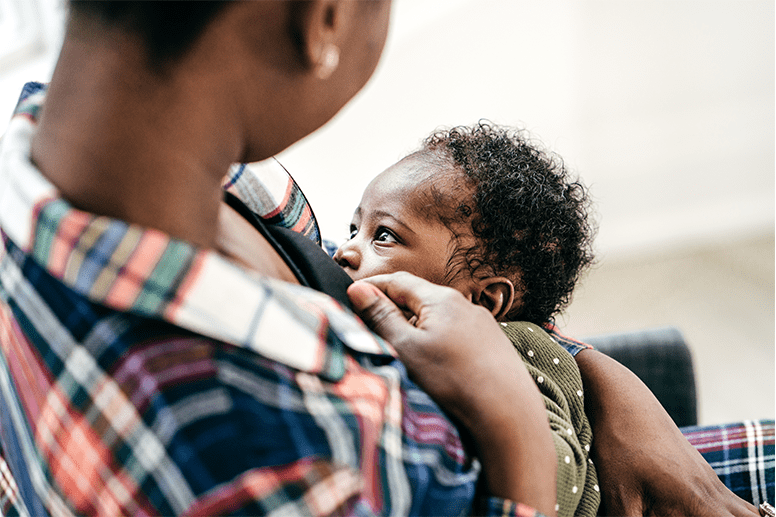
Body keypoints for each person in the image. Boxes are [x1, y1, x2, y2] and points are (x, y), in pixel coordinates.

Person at [0, 1, 767, 516]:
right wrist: (513, 426)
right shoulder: (257, 462)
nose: (349, 250)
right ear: (323, 16)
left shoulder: (160, 171)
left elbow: (453, 306)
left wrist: (600, 379)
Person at [333, 122, 600, 517]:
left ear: (484, 301)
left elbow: (563, 479)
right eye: (354, 229)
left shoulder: (518, 348)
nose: (345, 252)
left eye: (383, 236)